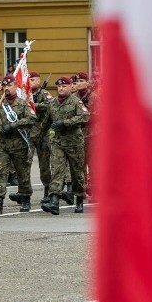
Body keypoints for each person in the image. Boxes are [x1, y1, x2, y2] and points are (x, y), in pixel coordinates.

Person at [43, 77, 90, 214]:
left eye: (64, 86)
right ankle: (54, 201)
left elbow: (84, 117)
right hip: (58, 142)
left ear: (70, 87)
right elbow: (46, 122)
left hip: (74, 142)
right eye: (59, 87)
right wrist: (40, 135)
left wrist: (65, 123)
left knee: (77, 173)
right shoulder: (52, 103)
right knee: (57, 170)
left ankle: (79, 199)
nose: (61, 89)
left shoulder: (76, 102)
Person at [0, 75, 36, 212]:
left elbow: (31, 119)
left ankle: (25, 198)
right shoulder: (0, 104)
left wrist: (14, 125)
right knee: (0, 172)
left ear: (15, 86)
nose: (6, 88)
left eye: (9, 85)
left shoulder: (22, 103)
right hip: (3, 144)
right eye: (4, 86)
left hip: (19, 143)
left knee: (22, 172)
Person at [28, 71, 54, 204]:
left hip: (42, 133)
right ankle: (25, 193)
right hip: (28, 133)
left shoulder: (44, 94)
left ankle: (47, 190)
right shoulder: (26, 95)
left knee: (44, 165)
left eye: (33, 79)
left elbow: (51, 105)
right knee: (25, 163)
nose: (30, 81)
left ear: (38, 80)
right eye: (29, 79)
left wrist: (34, 105)